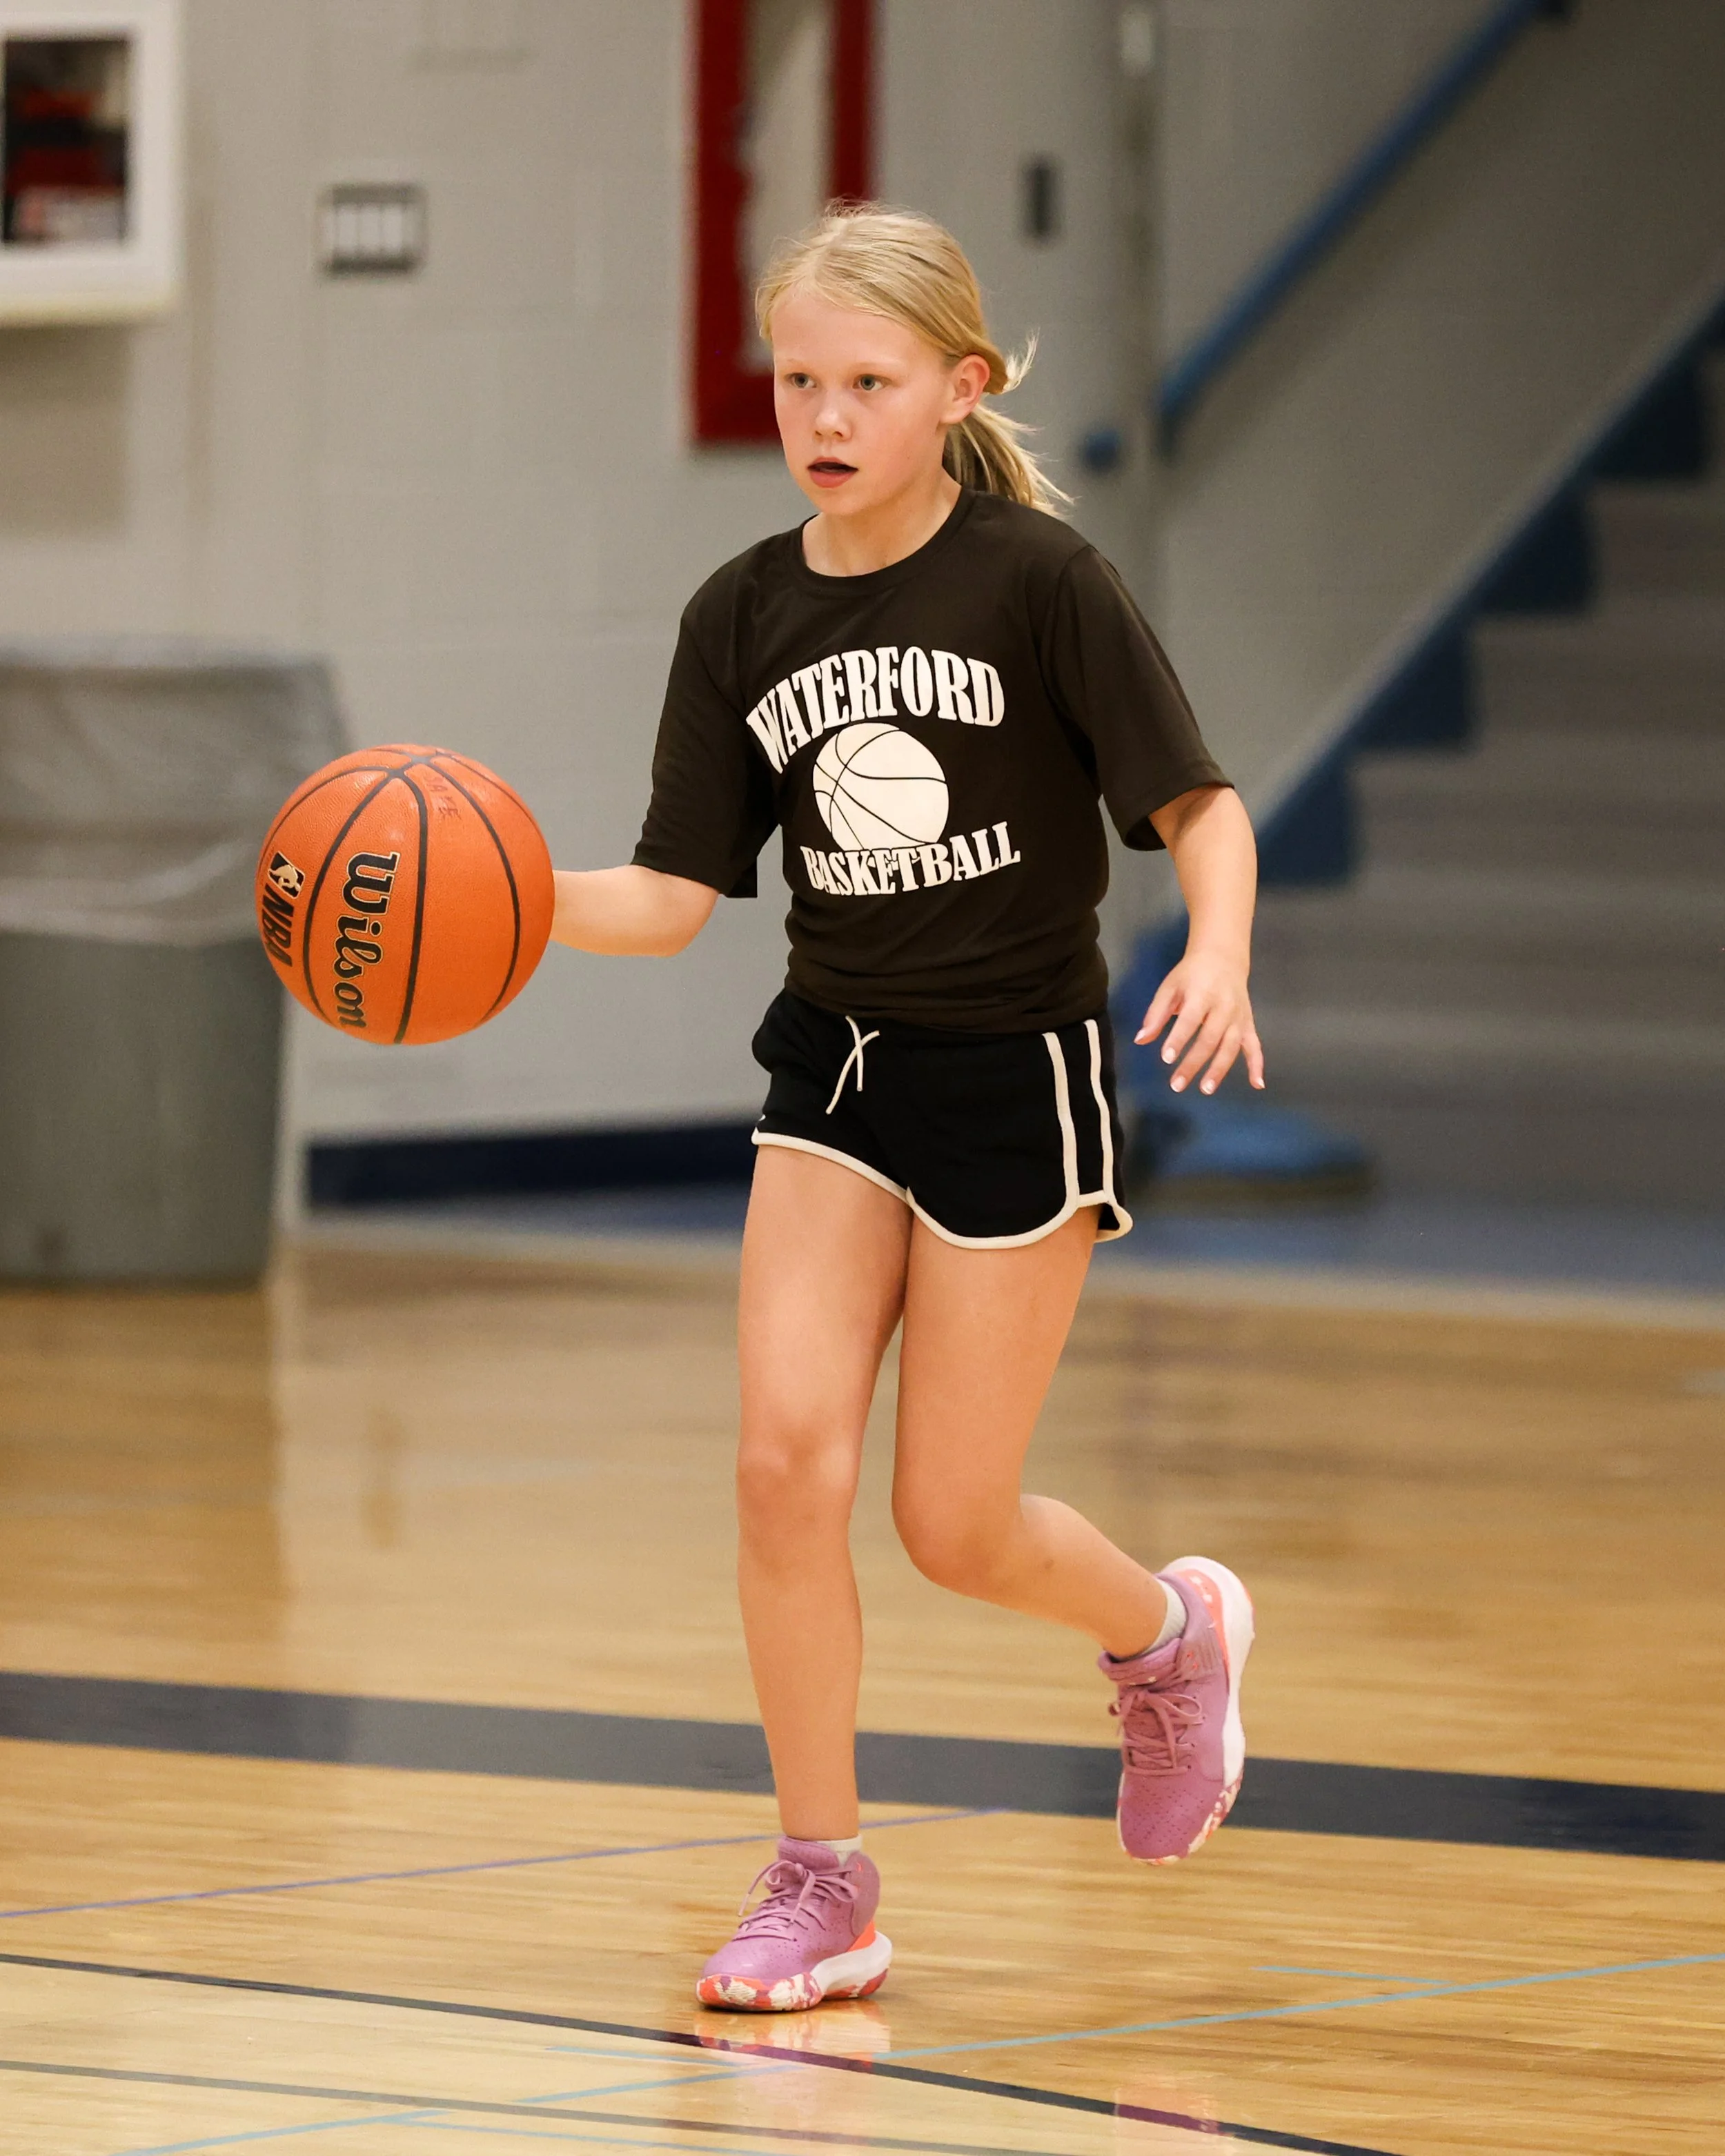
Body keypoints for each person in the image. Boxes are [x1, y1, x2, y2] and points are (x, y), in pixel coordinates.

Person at [550, 204, 1264, 2015]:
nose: (825, 410)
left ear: (956, 387)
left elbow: (1199, 807)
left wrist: (1224, 954)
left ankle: (1165, 1635)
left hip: (1013, 1076)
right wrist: (503, 895)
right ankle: (823, 1875)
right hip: (835, 1073)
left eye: (865, 380)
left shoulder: (1038, 582)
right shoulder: (742, 612)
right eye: (798, 377)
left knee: (952, 1520)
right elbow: (667, 893)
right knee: (781, 1467)